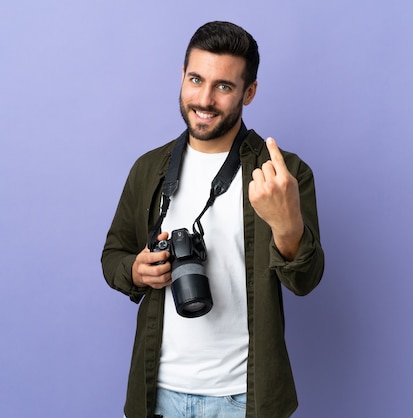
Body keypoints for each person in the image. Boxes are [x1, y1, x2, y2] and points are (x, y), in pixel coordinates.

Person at [101, 21, 324, 418]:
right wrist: (135, 271)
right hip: (159, 393)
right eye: (195, 79)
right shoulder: (149, 168)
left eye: (223, 86)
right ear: (182, 77)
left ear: (249, 92)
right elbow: (112, 255)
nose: (204, 98)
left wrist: (286, 225)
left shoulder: (283, 174)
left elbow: (305, 280)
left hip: (244, 398)